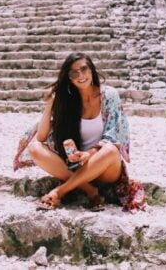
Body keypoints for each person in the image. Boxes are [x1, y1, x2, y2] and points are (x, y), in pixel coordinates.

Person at [13, 52, 145, 211]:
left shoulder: (109, 95)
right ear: (69, 77)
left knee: (110, 150)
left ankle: (58, 192)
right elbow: (41, 137)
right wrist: (50, 104)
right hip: (76, 165)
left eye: (84, 69)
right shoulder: (68, 101)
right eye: (74, 72)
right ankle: (90, 190)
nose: (80, 75)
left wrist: (88, 154)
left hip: (104, 165)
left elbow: (114, 138)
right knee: (34, 148)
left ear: (92, 71)